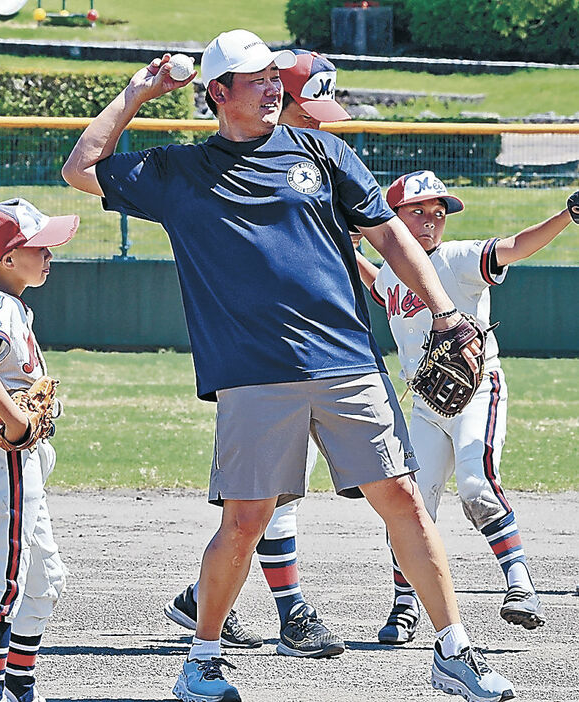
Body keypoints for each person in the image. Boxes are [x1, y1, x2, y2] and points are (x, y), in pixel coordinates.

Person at [62, 29, 515, 702]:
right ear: (217, 93)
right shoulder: (178, 173)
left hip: (346, 361)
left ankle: (454, 653)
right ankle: (203, 660)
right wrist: (138, 92)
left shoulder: (320, 150)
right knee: (245, 522)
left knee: (406, 505)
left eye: (276, 75)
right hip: (253, 373)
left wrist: (446, 311)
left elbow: (389, 235)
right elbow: (80, 168)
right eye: (256, 79)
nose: (273, 86)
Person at [163, 49, 350, 660]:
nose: (318, 124)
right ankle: (290, 611)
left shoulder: (310, 161)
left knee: (273, 496)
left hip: (318, 343)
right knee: (268, 496)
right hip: (260, 354)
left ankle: (205, 597)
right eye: (307, 109)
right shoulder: (229, 166)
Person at [354, 171, 577, 645]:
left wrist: (565, 216)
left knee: (476, 483)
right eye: (418, 211)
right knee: (413, 505)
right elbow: (380, 285)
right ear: (390, 219)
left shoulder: (457, 258)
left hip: (477, 391)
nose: (431, 221)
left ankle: (520, 582)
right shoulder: (395, 270)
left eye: (438, 213)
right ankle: (404, 604)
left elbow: (514, 247)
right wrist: (341, 241)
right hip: (426, 405)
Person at [0, 198, 78, 702]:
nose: (49, 254)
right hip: (4, 454)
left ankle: (18, 687)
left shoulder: (13, 304)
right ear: (7, 258)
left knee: (46, 578)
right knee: (6, 579)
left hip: (21, 458)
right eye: (39, 246)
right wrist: (14, 418)